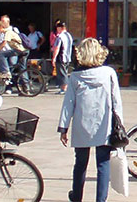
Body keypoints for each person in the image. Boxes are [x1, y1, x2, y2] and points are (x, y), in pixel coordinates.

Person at [58, 38, 123, 202]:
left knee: (80, 163)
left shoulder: (75, 77)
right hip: (104, 123)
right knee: (103, 163)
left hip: (82, 124)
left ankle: (77, 196)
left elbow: (68, 104)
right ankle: (101, 199)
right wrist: (120, 124)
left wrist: (63, 127)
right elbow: (117, 102)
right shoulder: (109, 73)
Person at [0, 15, 29, 88]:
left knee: (1, 55)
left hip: (18, 50)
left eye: (3, 21)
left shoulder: (9, 32)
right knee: (22, 68)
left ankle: (6, 73)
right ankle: (26, 89)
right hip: (23, 50)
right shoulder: (0, 32)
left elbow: (4, 43)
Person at [52, 20, 75, 94]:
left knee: (62, 73)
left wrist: (54, 58)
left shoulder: (60, 37)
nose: (56, 30)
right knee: (65, 71)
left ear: (60, 28)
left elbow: (57, 48)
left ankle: (64, 88)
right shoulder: (69, 35)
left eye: (57, 28)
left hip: (61, 57)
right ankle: (64, 87)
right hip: (68, 57)